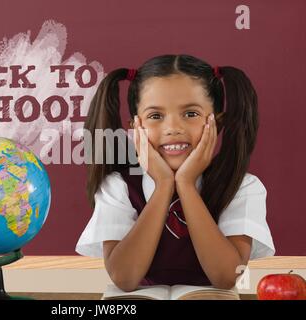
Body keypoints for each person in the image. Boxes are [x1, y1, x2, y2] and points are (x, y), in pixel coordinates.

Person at [75, 54, 275, 292]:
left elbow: (227, 277)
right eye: (155, 116)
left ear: (217, 122)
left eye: (190, 114)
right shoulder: (118, 187)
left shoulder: (242, 187)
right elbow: (124, 278)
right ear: (135, 127)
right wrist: (163, 185)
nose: (173, 129)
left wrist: (187, 185)